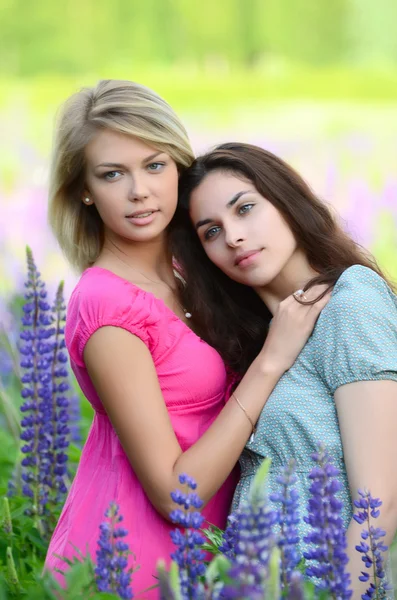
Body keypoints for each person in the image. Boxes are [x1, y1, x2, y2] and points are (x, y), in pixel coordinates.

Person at [44, 82, 329, 597]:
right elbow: (178, 495)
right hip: (132, 570)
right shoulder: (107, 306)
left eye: (154, 165)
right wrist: (270, 361)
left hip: (213, 561)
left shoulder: (191, 266)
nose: (140, 191)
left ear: (178, 164)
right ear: (84, 189)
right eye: (113, 174)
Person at [173, 141, 397, 597]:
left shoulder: (349, 300)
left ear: (287, 202)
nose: (233, 236)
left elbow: (381, 505)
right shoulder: (260, 338)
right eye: (211, 231)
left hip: (329, 584)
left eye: (246, 209)